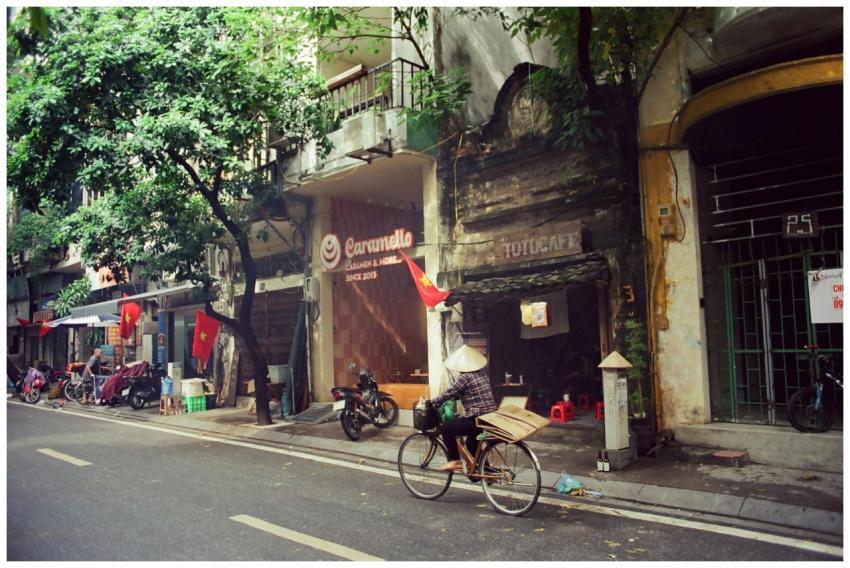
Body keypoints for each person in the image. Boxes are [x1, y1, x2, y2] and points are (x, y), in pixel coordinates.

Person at [428, 345, 497, 472]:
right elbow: (470, 393)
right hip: (489, 417)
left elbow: (449, 392)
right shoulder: (481, 374)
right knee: (471, 443)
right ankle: (486, 471)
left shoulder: (464, 378)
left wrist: (432, 402)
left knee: (447, 429)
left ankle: (455, 461)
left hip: (476, 418)